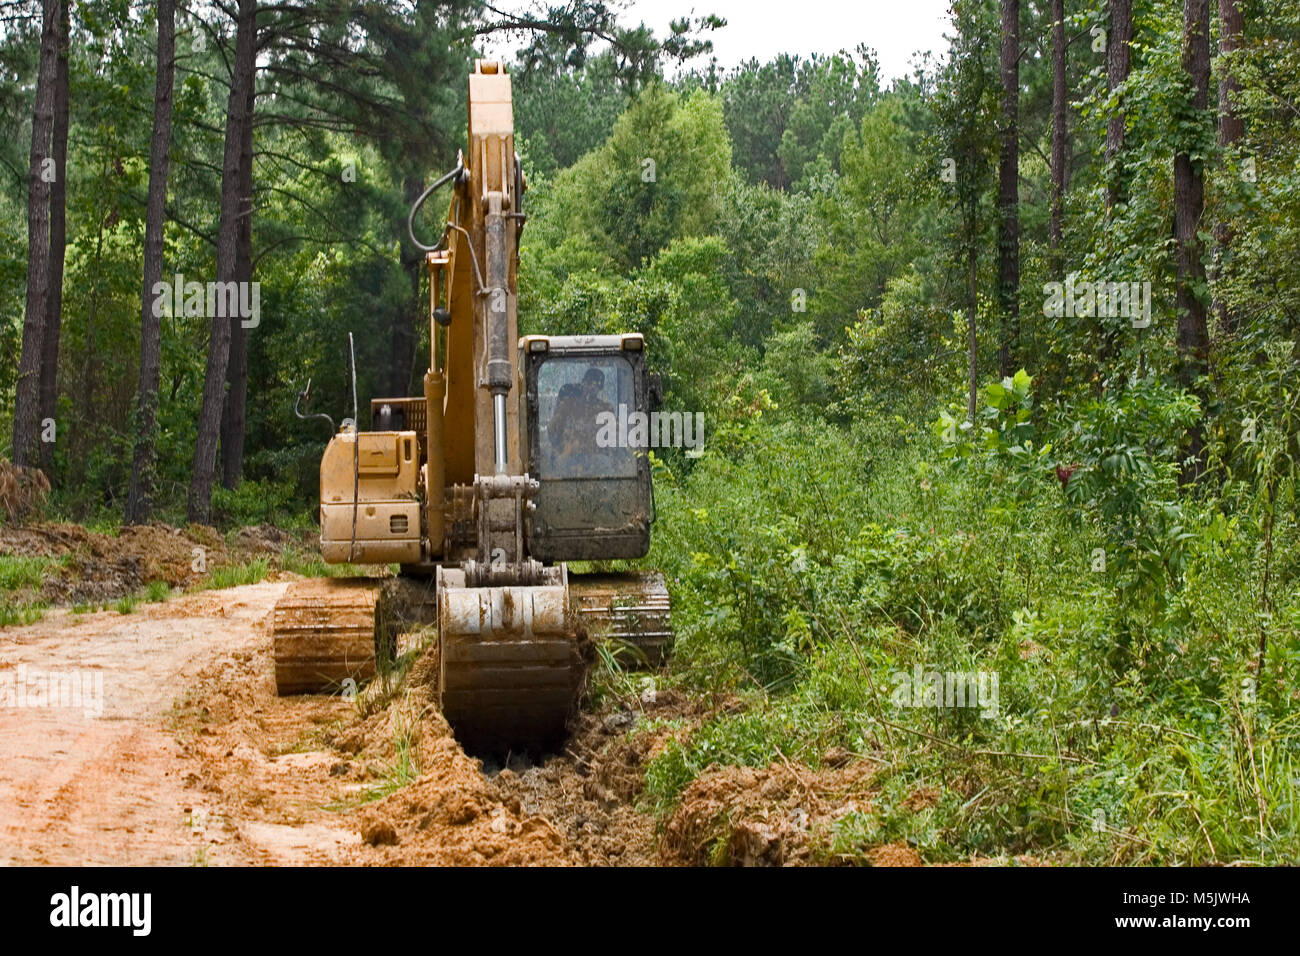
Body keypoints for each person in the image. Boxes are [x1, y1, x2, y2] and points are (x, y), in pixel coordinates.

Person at [547, 367, 613, 470]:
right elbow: (552, 430)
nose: (591, 388)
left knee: (606, 463)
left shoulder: (606, 409)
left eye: (596, 385)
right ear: (583, 382)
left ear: (600, 388)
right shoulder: (567, 405)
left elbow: (615, 438)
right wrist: (565, 447)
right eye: (589, 383)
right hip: (569, 456)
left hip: (595, 460)